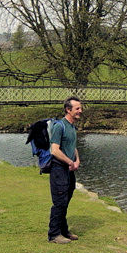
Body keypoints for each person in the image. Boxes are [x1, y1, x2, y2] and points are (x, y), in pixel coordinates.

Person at [48, 96, 82, 244]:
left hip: (69, 168)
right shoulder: (59, 126)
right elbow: (54, 150)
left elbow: (72, 146)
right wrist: (69, 162)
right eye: (77, 108)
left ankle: (63, 230)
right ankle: (54, 235)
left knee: (66, 200)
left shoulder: (72, 127)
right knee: (59, 201)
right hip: (59, 168)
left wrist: (77, 160)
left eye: (80, 108)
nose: (80, 111)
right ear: (68, 110)